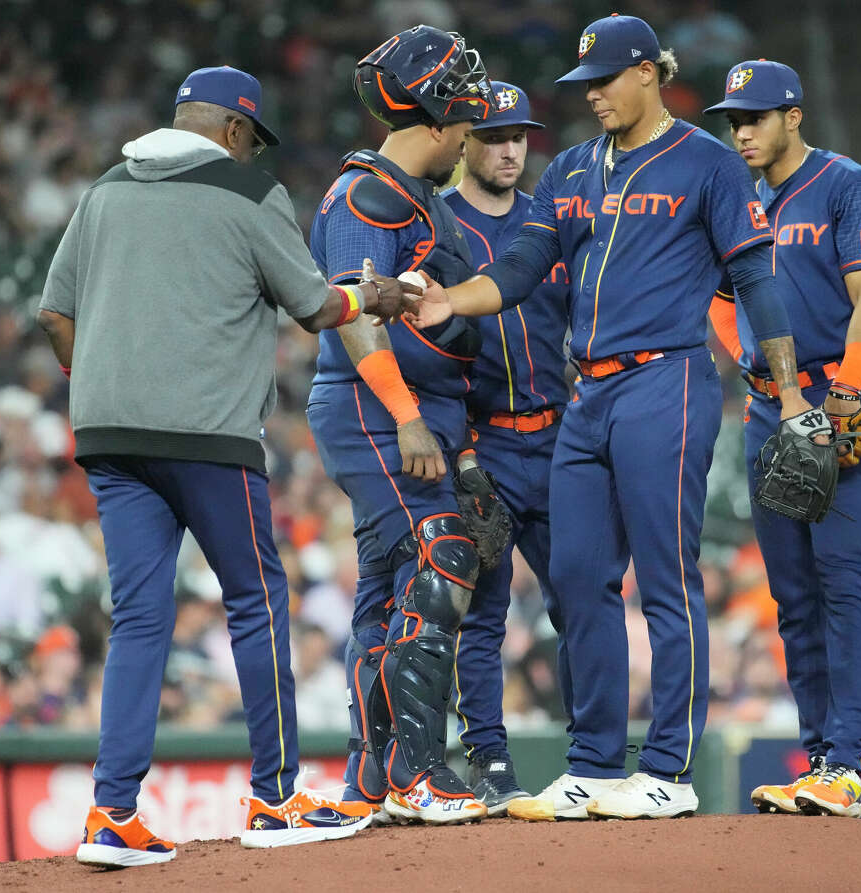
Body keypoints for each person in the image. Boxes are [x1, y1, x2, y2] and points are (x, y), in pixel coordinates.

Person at [409, 14, 815, 821]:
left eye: (603, 80)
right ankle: (594, 763)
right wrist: (454, 298)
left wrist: (790, 388)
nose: (590, 94)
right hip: (585, 396)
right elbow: (524, 264)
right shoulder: (570, 168)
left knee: (666, 580)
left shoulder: (709, 162)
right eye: (583, 84)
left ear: (648, 74)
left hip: (667, 380)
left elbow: (758, 277)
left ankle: (667, 766)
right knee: (578, 579)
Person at [37, 64, 419, 866]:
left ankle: (111, 813)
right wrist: (376, 297)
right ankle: (276, 796)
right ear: (236, 130)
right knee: (257, 600)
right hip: (208, 436)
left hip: (108, 432)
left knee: (140, 616)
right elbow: (317, 306)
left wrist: (103, 380)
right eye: (253, 139)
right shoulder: (250, 195)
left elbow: (54, 312)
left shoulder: (105, 189)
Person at [304, 25, 495, 825]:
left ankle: (372, 781)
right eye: (466, 110)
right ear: (438, 115)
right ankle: (420, 772)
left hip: (418, 416)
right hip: (375, 410)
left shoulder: (416, 198)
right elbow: (354, 314)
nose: (472, 129)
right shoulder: (367, 194)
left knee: (387, 593)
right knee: (446, 556)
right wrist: (409, 418)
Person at [705, 59, 861, 818]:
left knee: (844, 579)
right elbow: (723, 302)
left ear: (793, 116)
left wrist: (849, 387)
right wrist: (756, 367)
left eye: (755, 116)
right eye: (734, 119)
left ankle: (847, 759)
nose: (742, 131)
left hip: (836, 397)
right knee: (791, 592)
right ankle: (819, 754)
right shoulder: (736, 196)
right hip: (769, 407)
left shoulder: (849, 185)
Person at [439, 81, 571, 814]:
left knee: (581, 602)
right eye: (494, 135)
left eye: (520, 134)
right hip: (483, 442)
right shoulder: (439, 227)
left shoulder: (545, 221)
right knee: (482, 615)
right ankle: (488, 760)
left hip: (556, 437)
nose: (511, 148)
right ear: (463, 140)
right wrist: (459, 454)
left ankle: (596, 756)